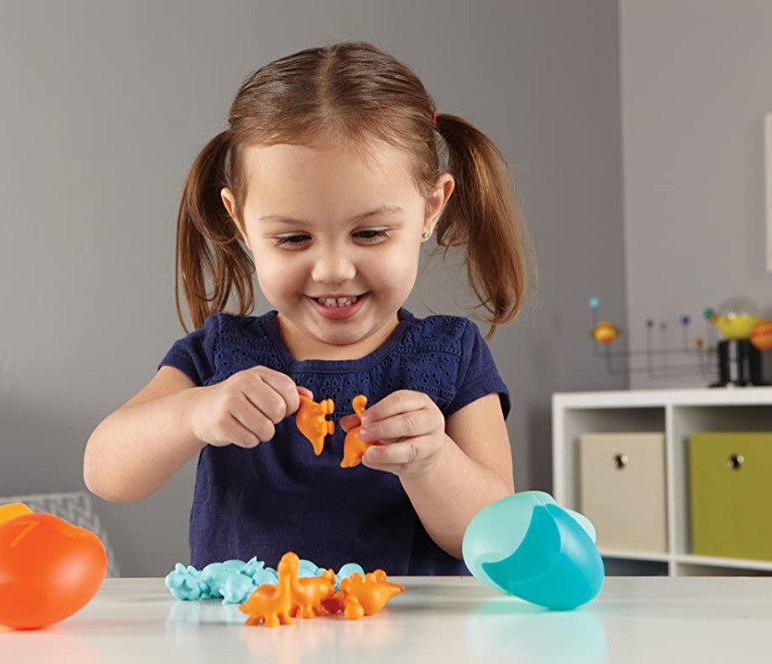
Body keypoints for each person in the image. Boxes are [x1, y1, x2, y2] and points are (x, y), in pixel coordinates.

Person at [85, 42, 530, 576]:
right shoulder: (224, 354)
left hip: (413, 651)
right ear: (242, 222)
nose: (333, 270)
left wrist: (433, 461)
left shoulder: (449, 354)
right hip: (251, 645)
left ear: (431, 209)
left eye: (370, 233)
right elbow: (105, 472)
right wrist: (194, 413)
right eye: (294, 238)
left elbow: (494, 534)